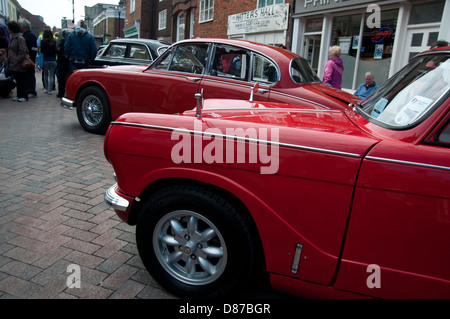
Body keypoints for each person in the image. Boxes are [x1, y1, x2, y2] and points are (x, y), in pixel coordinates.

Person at [7, 21, 29, 102]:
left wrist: (17, 60)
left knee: (21, 80)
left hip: (18, 63)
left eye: (8, 28)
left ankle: (24, 95)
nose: (7, 29)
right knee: (18, 79)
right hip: (13, 63)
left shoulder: (20, 38)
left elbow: (22, 51)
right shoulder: (13, 38)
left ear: (11, 29)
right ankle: (19, 95)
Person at [19, 19, 38, 98]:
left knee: (30, 75)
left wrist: (31, 57)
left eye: (20, 25)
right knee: (27, 75)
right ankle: (28, 90)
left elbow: (34, 48)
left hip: (29, 59)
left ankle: (32, 91)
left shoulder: (30, 35)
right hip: (26, 58)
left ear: (24, 26)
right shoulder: (24, 35)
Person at [56, 28, 73, 98]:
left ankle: (61, 92)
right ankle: (69, 92)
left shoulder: (61, 38)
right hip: (70, 59)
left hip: (62, 59)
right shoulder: (72, 37)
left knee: (61, 77)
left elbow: (57, 47)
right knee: (70, 76)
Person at [40, 29, 57, 95]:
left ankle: (46, 88)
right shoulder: (54, 41)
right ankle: (50, 90)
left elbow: (42, 51)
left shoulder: (42, 41)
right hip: (53, 59)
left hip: (46, 59)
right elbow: (56, 50)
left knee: (45, 74)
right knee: (51, 75)